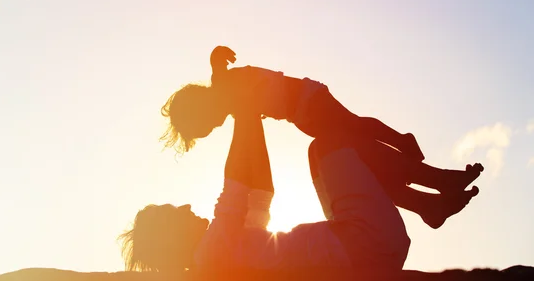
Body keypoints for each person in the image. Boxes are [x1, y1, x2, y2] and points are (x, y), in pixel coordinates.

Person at [120, 113, 481, 272]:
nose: (184, 205)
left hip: (367, 247)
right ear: (171, 237)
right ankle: (434, 187)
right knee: (330, 142)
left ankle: (427, 207)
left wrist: (250, 117)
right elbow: (237, 185)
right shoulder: (211, 254)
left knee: (319, 154)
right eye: (174, 212)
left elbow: (259, 190)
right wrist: (244, 109)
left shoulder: (227, 250)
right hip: (367, 242)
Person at [160, 46, 483, 195]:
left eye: (207, 126)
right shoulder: (229, 101)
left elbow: (217, 63)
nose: (216, 127)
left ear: (200, 107)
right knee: (357, 145)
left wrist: (218, 55)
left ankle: (404, 144)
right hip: (303, 113)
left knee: (356, 134)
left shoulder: (222, 86)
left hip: (306, 99)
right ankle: (425, 177)